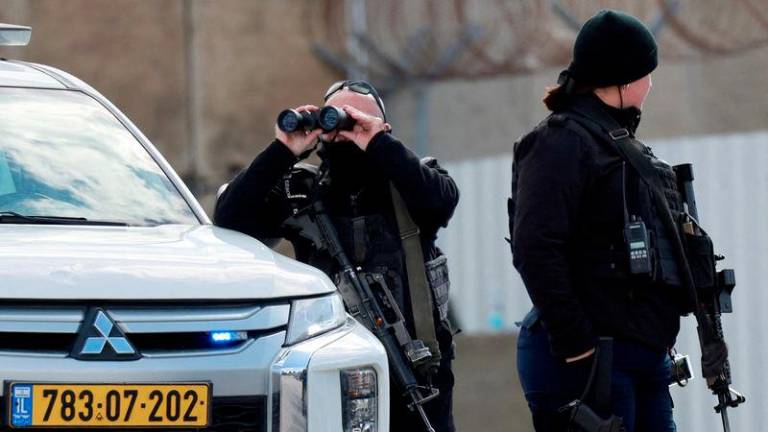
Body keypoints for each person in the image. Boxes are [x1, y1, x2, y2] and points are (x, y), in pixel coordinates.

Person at [214, 80, 459, 432]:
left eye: (357, 118)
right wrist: (283, 151)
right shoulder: (302, 190)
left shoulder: (410, 182)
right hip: (329, 369)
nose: (343, 126)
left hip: (415, 370)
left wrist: (376, 142)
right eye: (335, 116)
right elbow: (230, 219)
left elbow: (442, 199)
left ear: (384, 129)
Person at [509, 10, 691, 432]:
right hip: (592, 364)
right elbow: (536, 247)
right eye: (648, 73)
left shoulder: (620, 145)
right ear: (625, 80)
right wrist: (577, 345)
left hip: (642, 357)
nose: (651, 85)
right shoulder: (561, 142)